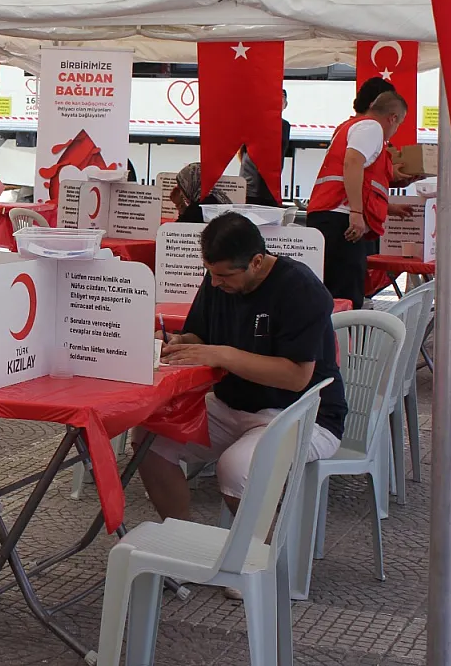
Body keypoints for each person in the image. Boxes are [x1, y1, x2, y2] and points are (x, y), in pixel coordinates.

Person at [136, 212, 347, 524]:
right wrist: (178, 342)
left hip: (302, 412)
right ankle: (180, 534)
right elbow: (201, 336)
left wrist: (223, 355)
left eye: (224, 276)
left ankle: (262, 551)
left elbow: (296, 377)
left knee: (236, 469)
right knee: (149, 439)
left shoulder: (300, 288)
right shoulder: (219, 280)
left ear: (257, 262)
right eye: (210, 273)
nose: (215, 282)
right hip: (232, 404)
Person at [306, 91, 414, 309]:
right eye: (399, 123)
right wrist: (356, 212)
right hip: (342, 219)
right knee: (346, 295)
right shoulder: (371, 128)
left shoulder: (351, 127)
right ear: (392, 118)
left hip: (330, 215)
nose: (396, 130)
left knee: (334, 292)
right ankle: (344, 332)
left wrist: (388, 207)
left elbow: (362, 180)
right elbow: (353, 163)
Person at [239, 89, 292, 206]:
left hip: (257, 185)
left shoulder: (283, 125)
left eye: (282, 98)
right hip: (260, 185)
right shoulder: (263, 122)